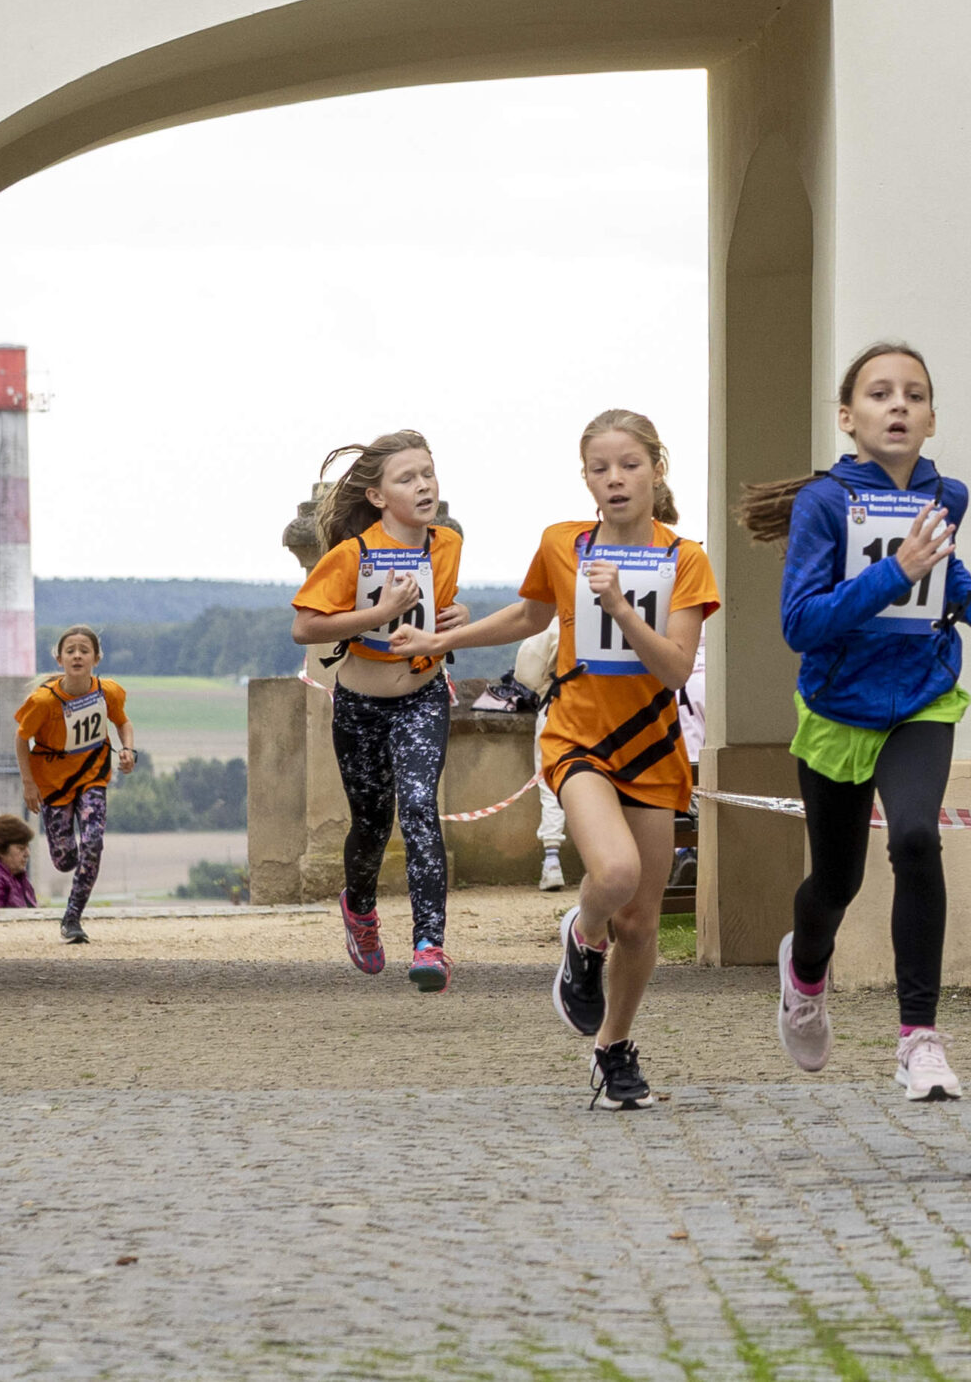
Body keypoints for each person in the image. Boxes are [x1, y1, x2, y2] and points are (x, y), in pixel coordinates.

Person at [740, 344, 971, 1101]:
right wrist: (894, 572)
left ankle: (919, 1040)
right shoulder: (823, 504)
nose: (899, 405)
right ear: (848, 418)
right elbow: (801, 624)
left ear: (932, 418)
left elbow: (947, 571)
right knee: (836, 881)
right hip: (838, 706)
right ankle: (804, 974)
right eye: (880, 394)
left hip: (921, 696)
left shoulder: (946, 493)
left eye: (914, 394)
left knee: (915, 838)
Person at [396, 410, 718, 1109]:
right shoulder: (561, 543)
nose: (615, 479)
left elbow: (674, 668)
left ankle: (613, 1048)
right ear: (586, 479)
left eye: (629, 465)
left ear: (656, 470)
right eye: (600, 469)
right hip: (577, 738)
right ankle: (583, 931)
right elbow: (528, 617)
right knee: (616, 874)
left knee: (641, 923)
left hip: (653, 747)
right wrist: (439, 642)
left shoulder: (684, 558)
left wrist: (621, 607)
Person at [290, 432, 468, 990]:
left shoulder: (447, 544)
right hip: (361, 707)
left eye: (428, 474)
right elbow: (305, 628)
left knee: (418, 807)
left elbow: (434, 611)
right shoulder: (352, 555)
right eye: (407, 478)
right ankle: (360, 909)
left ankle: (430, 945)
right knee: (371, 825)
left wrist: (455, 618)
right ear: (377, 496)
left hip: (422, 696)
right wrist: (377, 613)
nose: (423, 486)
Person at [13, 625, 137, 942]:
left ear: (96, 658)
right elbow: (21, 738)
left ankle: (72, 917)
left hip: (92, 777)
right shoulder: (44, 701)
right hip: (54, 783)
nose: (77, 656)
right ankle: (71, 859)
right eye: (70, 651)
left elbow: (123, 722)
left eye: (84, 650)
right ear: (60, 659)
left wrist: (128, 749)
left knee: (93, 843)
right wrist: (28, 783)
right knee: (65, 859)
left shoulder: (108, 692)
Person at [515, 620, 567, 889]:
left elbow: (525, 672)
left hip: (554, 709)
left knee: (550, 783)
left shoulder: (553, 625)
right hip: (602, 712)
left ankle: (552, 859)